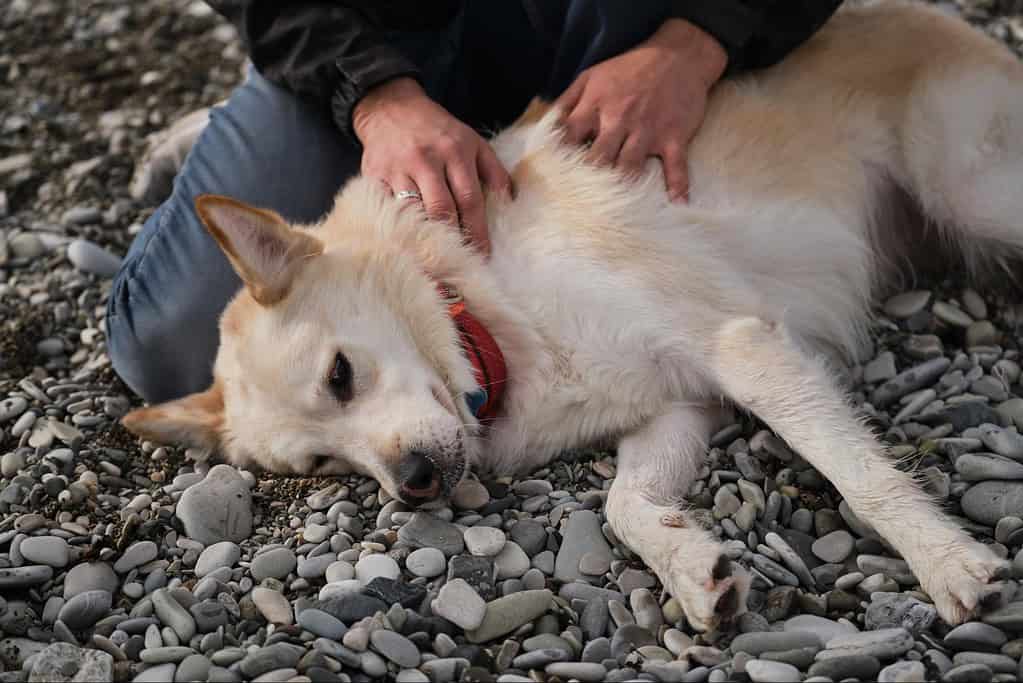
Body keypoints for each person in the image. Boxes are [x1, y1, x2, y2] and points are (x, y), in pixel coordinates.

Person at [107, 0, 842, 404]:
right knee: (172, 349)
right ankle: (254, 120)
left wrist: (699, 40)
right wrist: (369, 96)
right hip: (368, 31)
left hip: (602, 20)